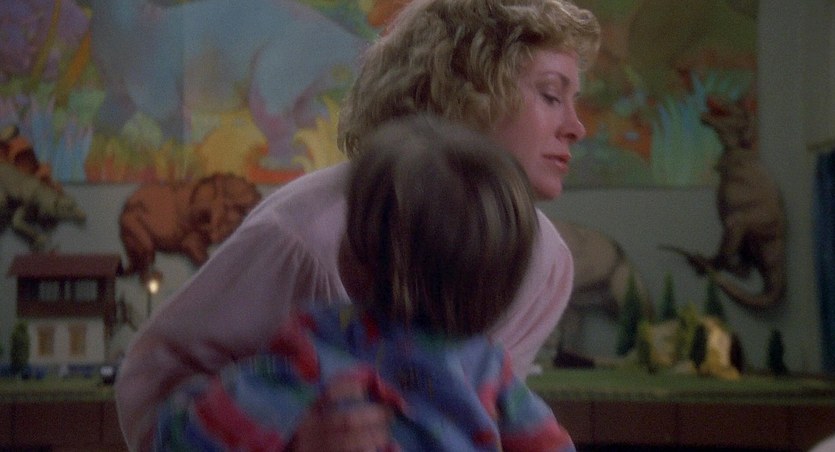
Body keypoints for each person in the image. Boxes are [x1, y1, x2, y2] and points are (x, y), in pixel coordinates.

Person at [115, 0, 600, 450]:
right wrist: (292, 439)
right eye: (551, 95)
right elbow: (153, 394)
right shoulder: (304, 237)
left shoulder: (547, 263)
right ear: (466, 91)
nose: (577, 127)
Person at [151, 115, 576, 451]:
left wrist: (187, 404)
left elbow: (191, 438)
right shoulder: (488, 370)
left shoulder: (318, 348)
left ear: (357, 261)